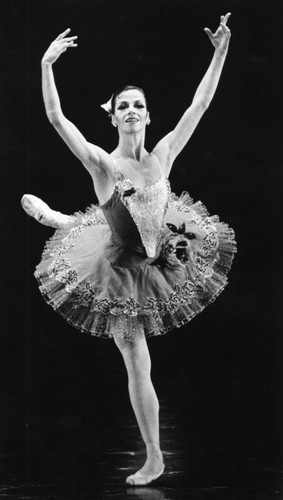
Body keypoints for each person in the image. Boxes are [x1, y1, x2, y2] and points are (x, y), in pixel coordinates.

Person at [21, 13, 236, 486]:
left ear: (148, 114)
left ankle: (64, 219)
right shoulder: (103, 164)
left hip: (163, 250)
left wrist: (220, 52)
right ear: (114, 116)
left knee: (102, 223)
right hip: (120, 266)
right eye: (124, 106)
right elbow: (58, 120)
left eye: (139, 105)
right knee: (135, 353)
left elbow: (198, 107)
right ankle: (155, 455)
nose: (133, 111)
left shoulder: (162, 155)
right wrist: (46, 66)